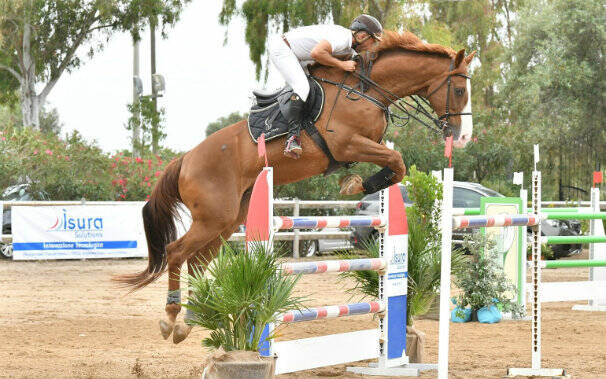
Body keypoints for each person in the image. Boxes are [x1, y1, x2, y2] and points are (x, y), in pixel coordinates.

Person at [268, 14, 383, 159]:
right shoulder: (342, 37)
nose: (373, 45)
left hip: (299, 55)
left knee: (316, 86)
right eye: (374, 40)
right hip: (283, 49)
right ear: (362, 36)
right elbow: (317, 53)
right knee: (302, 87)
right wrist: (342, 64)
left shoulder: (350, 49)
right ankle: (292, 138)